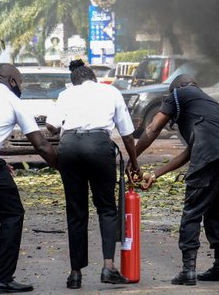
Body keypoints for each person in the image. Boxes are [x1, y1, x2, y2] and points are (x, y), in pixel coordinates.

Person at [135, 74, 219, 285]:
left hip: (213, 151)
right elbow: (189, 152)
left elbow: (152, 128)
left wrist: (133, 159)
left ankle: (188, 270)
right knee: (216, 210)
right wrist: (155, 174)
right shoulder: (208, 104)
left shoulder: (179, 93)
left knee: (192, 211)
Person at [45, 59, 141, 289]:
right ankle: (108, 266)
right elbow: (127, 133)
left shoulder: (67, 94)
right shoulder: (111, 91)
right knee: (106, 207)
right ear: (94, 78)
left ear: (74, 80)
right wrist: (134, 163)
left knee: (76, 211)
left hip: (69, 148)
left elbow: (51, 125)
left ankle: (75, 273)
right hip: (98, 146)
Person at [0, 64, 58, 294]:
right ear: (13, 81)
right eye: (21, 82)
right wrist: (64, 168)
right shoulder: (14, 101)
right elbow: (41, 145)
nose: (22, 87)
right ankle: (1, 280)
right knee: (12, 214)